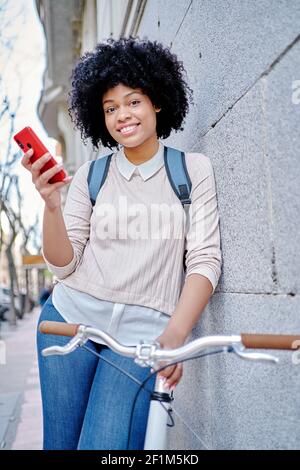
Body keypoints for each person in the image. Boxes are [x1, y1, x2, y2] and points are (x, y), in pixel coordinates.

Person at [21, 36, 222, 450]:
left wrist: (175, 335)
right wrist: (52, 205)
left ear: (158, 102)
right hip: (67, 322)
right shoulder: (91, 176)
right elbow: (63, 265)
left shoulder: (191, 170)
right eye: (110, 108)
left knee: (105, 446)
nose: (122, 116)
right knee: (59, 444)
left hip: (141, 337)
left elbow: (204, 260)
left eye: (133, 102)